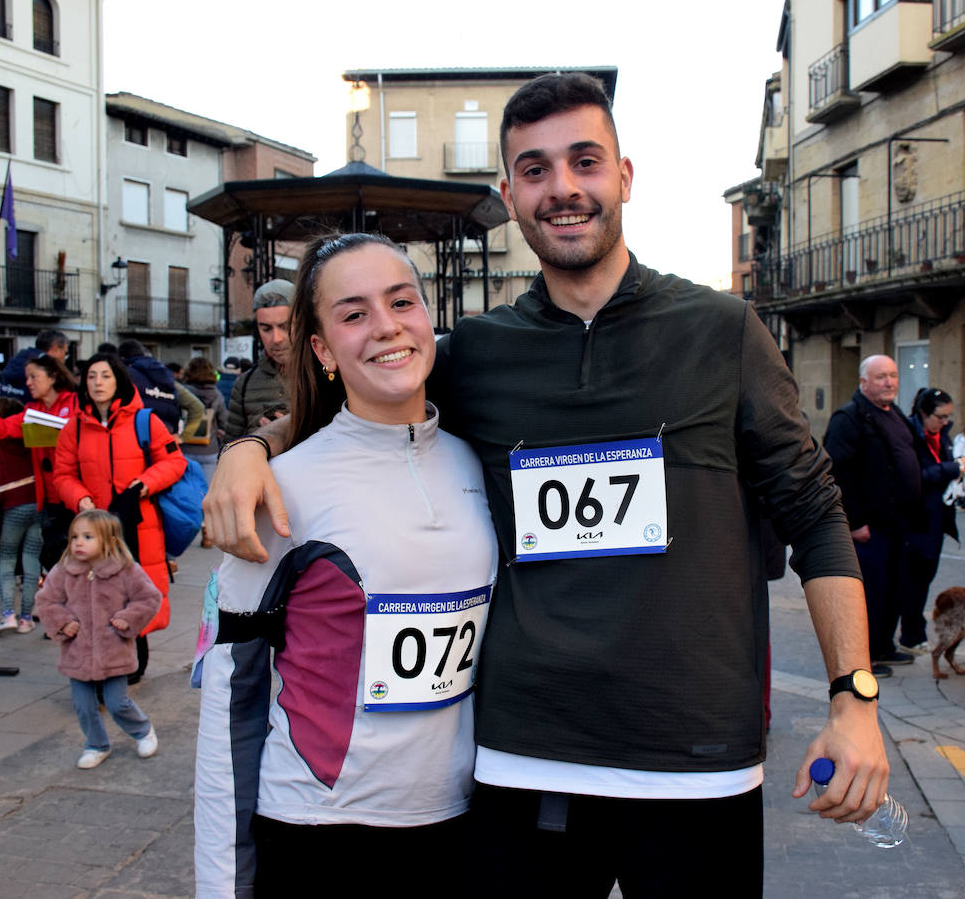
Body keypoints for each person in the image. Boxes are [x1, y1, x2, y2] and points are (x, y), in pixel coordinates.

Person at [204, 72, 886, 897]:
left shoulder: (722, 330)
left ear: (623, 177)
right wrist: (253, 449)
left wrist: (855, 699)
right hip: (524, 765)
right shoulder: (482, 354)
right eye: (535, 169)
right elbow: (374, 390)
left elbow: (814, 511)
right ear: (510, 193)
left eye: (584, 162)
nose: (563, 188)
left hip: (696, 764)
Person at [193, 233, 496, 897]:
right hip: (319, 833)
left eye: (401, 302)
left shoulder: (478, 463)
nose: (386, 326)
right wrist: (220, 883)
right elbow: (229, 700)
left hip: (464, 826)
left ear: (428, 318)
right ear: (324, 350)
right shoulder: (279, 488)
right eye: (354, 314)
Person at [53, 354, 187, 684]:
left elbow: (173, 462)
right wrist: (79, 496)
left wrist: (142, 485)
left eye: (105, 376)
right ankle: (102, 664)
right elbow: (63, 474)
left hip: (138, 524)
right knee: (96, 596)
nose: (98, 383)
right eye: (92, 377)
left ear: (119, 382)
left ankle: (133, 655)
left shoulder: (145, 421)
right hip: (93, 528)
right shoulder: (74, 428)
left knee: (133, 590)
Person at [35, 509, 161, 770]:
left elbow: (149, 598)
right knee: (83, 706)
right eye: (75, 537)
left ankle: (143, 730)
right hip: (77, 653)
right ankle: (96, 744)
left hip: (114, 650)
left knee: (117, 703)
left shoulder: (126, 570)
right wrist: (62, 622)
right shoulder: (64, 570)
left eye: (88, 537)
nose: (78, 543)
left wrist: (129, 618)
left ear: (110, 540)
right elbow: (45, 601)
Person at [823, 355, 923, 675]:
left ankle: (883, 646)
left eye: (893, 375)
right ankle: (860, 661)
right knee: (868, 595)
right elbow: (838, 473)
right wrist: (853, 521)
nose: (889, 382)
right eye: (881, 377)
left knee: (893, 589)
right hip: (868, 528)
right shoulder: (849, 419)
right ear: (864, 382)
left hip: (897, 524)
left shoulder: (894, 415)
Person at [0, 355, 80, 570]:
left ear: (53, 377)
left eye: (33, 376)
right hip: (50, 500)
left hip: (77, 494)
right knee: (55, 559)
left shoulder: (76, 403)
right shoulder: (32, 411)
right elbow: (1, 430)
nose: (28, 382)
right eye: (27, 377)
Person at [898, 388, 965, 654]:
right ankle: (911, 635)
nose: (945, 422)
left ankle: (913, 632)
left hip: (937, 519)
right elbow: (915, 476)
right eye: (940, 416)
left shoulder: (943, 437)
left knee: (924, 577)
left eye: (949, 417)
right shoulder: (910, 436)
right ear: (924, 413)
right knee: (912, 580)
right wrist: (950, 469)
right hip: (915, 520)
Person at [0, 396, 41, 635]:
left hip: (12, 506)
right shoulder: (31, 438)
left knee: (7, 560)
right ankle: (26, 616)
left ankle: (7, 614)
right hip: (37, 502)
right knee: (31, 558)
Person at [223, 279, 293, 436]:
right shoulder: (244, 383)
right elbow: (227, 452)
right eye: (266, 329)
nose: (276, 338)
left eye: (284, 326)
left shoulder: (329, 373)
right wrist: (256, 440)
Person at [117, 339, 203, 439]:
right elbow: (197, 406)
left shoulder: (125, 375)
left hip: (135, 437)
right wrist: (183, 437)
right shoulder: (167, 377)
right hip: (165, 438)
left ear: (122, 358)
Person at [178, 357, 228, 484]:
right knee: (206, 493)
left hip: (184, 448)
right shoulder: (217, 395)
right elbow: (224, 422)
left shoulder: (182, 393)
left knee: (186, 493)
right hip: (209, 450)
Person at [0, 329, 68, 401]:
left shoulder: (17, 359)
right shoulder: (46, 366)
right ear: (55, 348)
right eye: (65, 353)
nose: (64, 359)